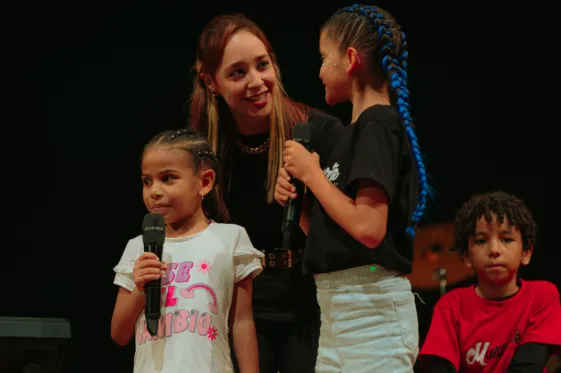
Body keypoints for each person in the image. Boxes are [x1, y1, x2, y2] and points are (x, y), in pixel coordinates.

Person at [274, 4, 430, 372]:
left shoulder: (378, 124)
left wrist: (312, 174)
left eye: (324, 57)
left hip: (371, 316)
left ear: (350, 58)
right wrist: (302, 207)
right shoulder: (354, 134)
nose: (319, 71)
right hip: (338, 313)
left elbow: (369, 229)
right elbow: (339, 236)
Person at [188, 13, 345, 373]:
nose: (257, 82)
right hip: (240, 304)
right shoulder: (202, 149)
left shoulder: (319, 133)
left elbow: (349, 234)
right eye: (238, 72)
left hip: (312, 302)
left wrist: (310, 198)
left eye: (263, 65)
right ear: (210, 81)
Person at [110, 128, 263, 373]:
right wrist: (140, 289)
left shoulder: (229, 239)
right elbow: (119, 333)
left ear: (205, 181)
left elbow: (241, 322)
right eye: (147, 181)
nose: (154, 191)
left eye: (168, 178)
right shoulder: (137, 247)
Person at [419, 191, 561, 373]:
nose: (494, 250)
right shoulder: (451, 305)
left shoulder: (542, 296)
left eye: (506, 239)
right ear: (466, 256)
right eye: (481, 241)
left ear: (526, 253)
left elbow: (528, 366)